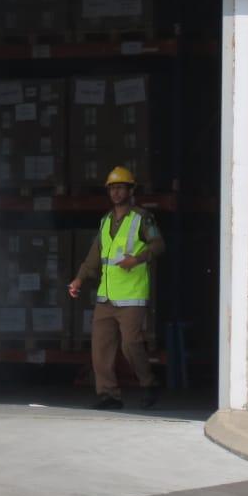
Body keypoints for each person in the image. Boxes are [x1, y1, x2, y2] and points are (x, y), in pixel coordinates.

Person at [67, 167, 165, 411]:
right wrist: (79, 279)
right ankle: (109, 395)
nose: (116, 192)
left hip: (132, 297)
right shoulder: (106, 220)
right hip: (106, 297)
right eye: (112, 188)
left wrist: (137, 259)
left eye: (121, 187)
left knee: (130, 345)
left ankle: (149, 383)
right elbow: (94, 256)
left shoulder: (142, 218)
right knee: (100, 348)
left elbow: (159, 245)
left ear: (131, 190)